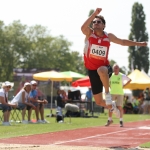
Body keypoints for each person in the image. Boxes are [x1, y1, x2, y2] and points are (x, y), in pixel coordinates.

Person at [81, 8, 147, 117]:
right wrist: (95, 14)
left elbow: (122, 42)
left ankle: (107, 93)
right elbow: (83, 27)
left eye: (98, 22)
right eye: (94, 22)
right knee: (99, 102)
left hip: (105, 69)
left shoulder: (108, 36)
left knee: (101, 69)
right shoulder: (89, 34)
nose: (95, 23)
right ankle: (112, 106)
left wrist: (138, 43)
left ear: (103, 26)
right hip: (92, 71)